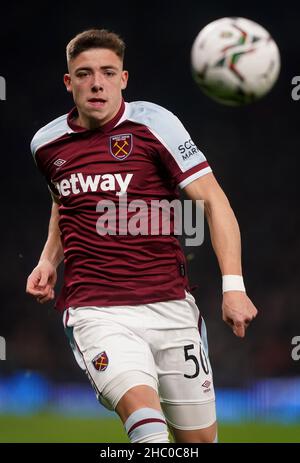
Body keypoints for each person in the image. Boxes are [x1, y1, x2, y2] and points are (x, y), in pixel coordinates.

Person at [26, 28, 258, 444]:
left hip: (171, 310)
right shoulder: (46, 145)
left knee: (199, 442)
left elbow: (213, 201)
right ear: (69, 81)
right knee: (148, 432)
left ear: (123, 79)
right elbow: (65, 202)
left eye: (107, 72)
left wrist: (234, 286)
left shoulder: (155, 124)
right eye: (84, 73)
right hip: (97, 313)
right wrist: (49, 259)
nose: (96, 82)